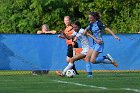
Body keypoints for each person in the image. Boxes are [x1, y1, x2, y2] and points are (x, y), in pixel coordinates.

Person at [84, 12, 120, 77]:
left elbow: (107, 29)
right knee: (87, 58)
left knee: (92, 60)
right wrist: (86, 31)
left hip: (99, 43)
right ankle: (90, 75)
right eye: (89, 17)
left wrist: (115, 36)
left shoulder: (99, 23)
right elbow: (85, 32)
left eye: (91, 18)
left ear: (94, 18)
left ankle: (105, 57)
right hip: (95, 43)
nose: (89, 19)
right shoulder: (91, 24)